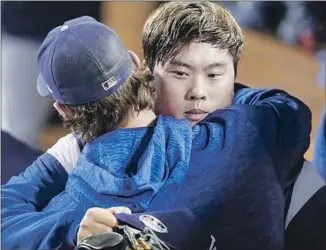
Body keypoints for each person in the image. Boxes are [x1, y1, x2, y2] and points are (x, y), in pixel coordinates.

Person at [2, 2, 312, 249]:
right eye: (181, 73)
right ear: (139, 66)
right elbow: (290, 112)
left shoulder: (76, 200)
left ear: (64, 111)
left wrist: (72, 227)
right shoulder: (245, 131)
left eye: (213, 74)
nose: (198, 92)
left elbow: (7, 216)